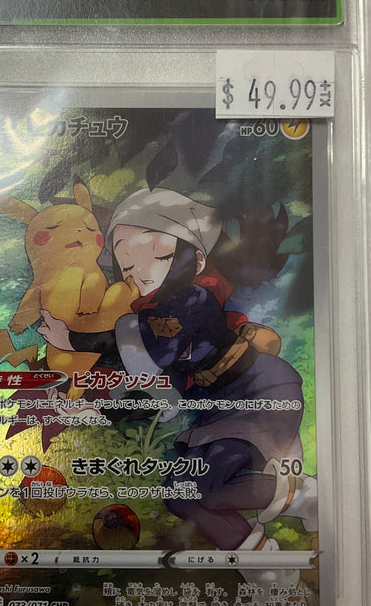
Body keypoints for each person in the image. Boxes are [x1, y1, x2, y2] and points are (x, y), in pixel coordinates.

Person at [39, 188, 317, 575]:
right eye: (126, 262)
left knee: (206, 487)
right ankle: (269, 564)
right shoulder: (150, 318)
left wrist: (79, 352)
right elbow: (155, 385)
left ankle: (303, 501)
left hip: (260, 393)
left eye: (158, 255)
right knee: (180, 494)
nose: (140, 271)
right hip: (220, 408)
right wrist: (96, 404)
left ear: (196, 259)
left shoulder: (192, 301)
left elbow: (151, 352)